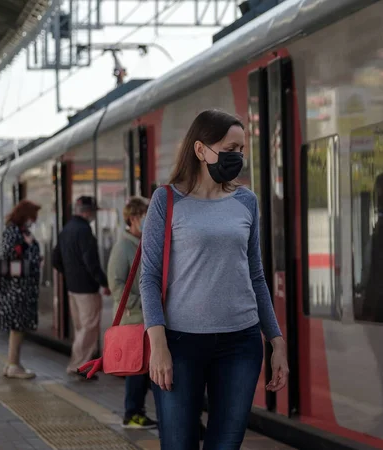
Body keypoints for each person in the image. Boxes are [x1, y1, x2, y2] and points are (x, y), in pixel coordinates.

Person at [140, 109, 289, 449]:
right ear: (200, 149)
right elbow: (148, 277)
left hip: (241, 343)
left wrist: (276, 340)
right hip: (180, 344)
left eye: (241, 149)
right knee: (179, 444)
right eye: (230, 148)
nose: (238, 156)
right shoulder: (166, 201)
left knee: (226, 444)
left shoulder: (246, 201)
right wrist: (158, 345)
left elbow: (255, 274)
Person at [107, 197, 158, 429]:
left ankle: (138, 412)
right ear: (133, 218)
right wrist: (142, 302)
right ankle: (132, 413)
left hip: (147, 318)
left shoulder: (143, 243)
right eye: (143, 215)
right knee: (136, 369)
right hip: (134, 317)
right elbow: (116, 285)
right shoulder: (122, 247)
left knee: (145, 369)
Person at [52, 196, 111, 379]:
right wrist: (104, 282)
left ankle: (79, 364)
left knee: (80, 328)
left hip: (73, 288)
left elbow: (55, 259)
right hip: (87, 289)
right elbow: (91, 262)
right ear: (87, 212)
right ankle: (80, 366)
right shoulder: (84, 231)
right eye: (93, 211)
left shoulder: (66, 229)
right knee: (89, 327)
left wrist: (69, 274)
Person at [0, 200, 42, 379]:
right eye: (32, 216)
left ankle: (13, 363)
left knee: (18, 327)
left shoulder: (20, 231)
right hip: (16, 290)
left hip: (21, 289)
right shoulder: (13, 232)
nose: (34, 220)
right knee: (17, 327)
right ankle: (13, 365)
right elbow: (8, 257)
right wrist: (28, 247)